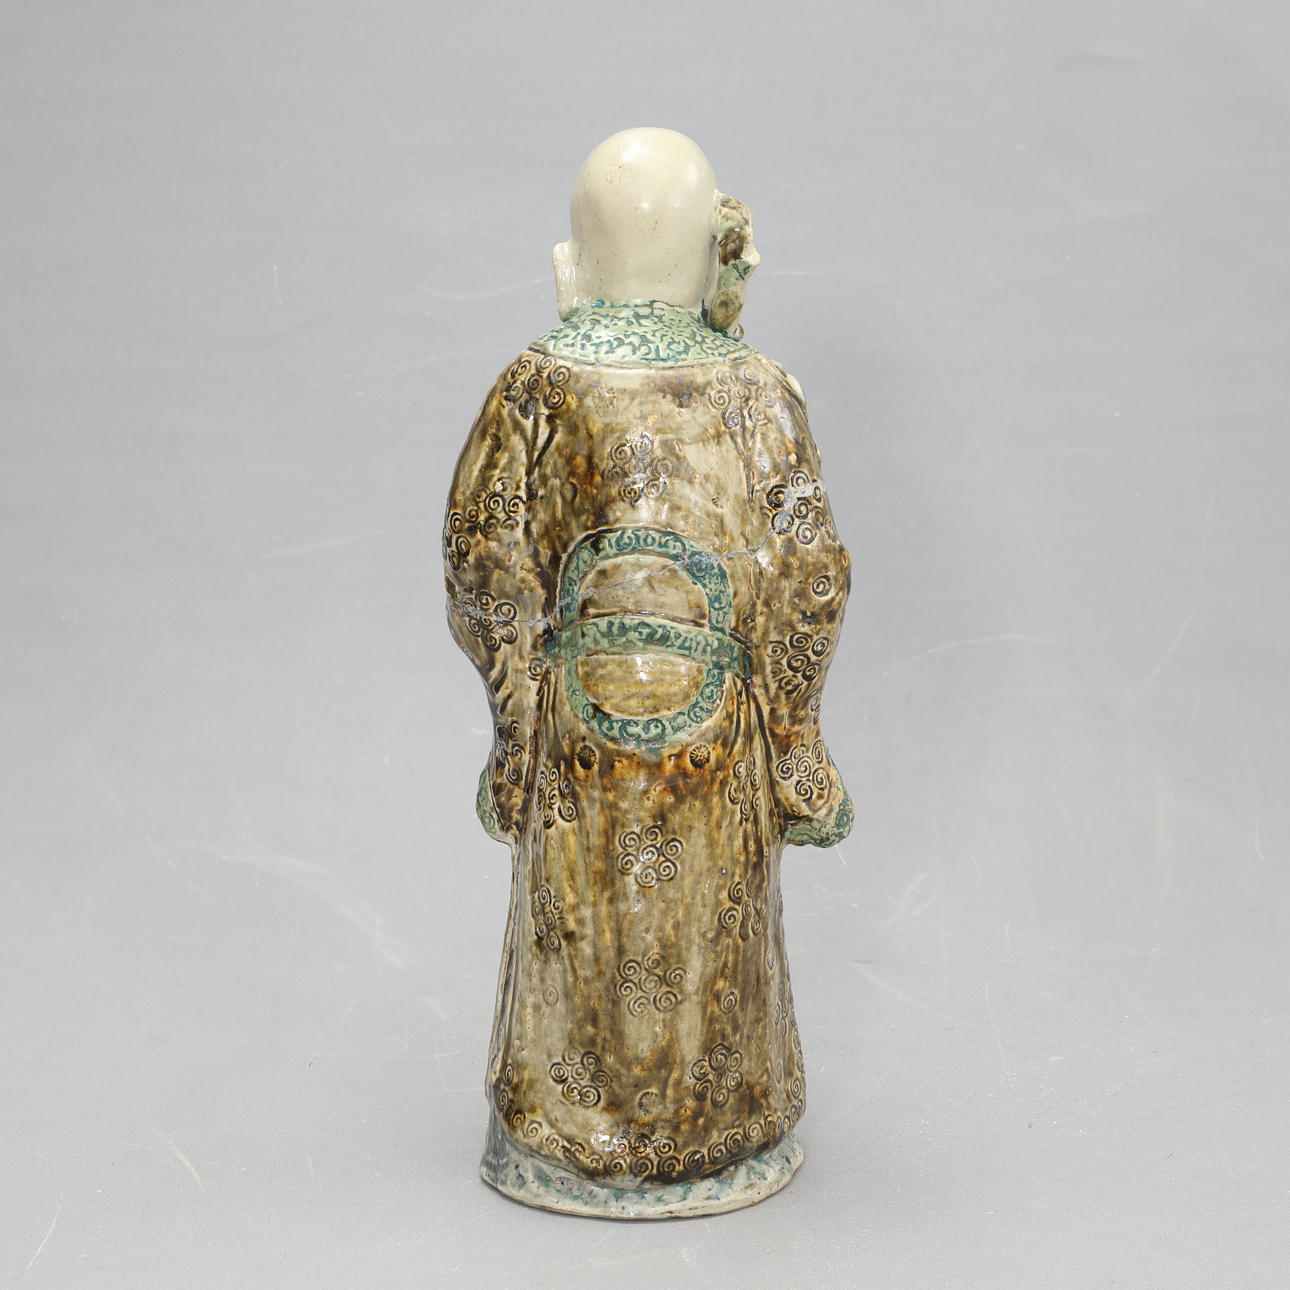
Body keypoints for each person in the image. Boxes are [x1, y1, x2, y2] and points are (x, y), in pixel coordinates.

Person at [444, 128, 852, 1218]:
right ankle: (726, 1135)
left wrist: (517, 725)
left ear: (573, 261)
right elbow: (808, 574)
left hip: (577, 728)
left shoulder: (537, 385)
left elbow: (483, 565)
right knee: (712, 933)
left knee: (580, 930)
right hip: (717, 734)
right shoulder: (758, 390)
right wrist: (795, 744)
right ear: (716, 255)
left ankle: (560, 1142)